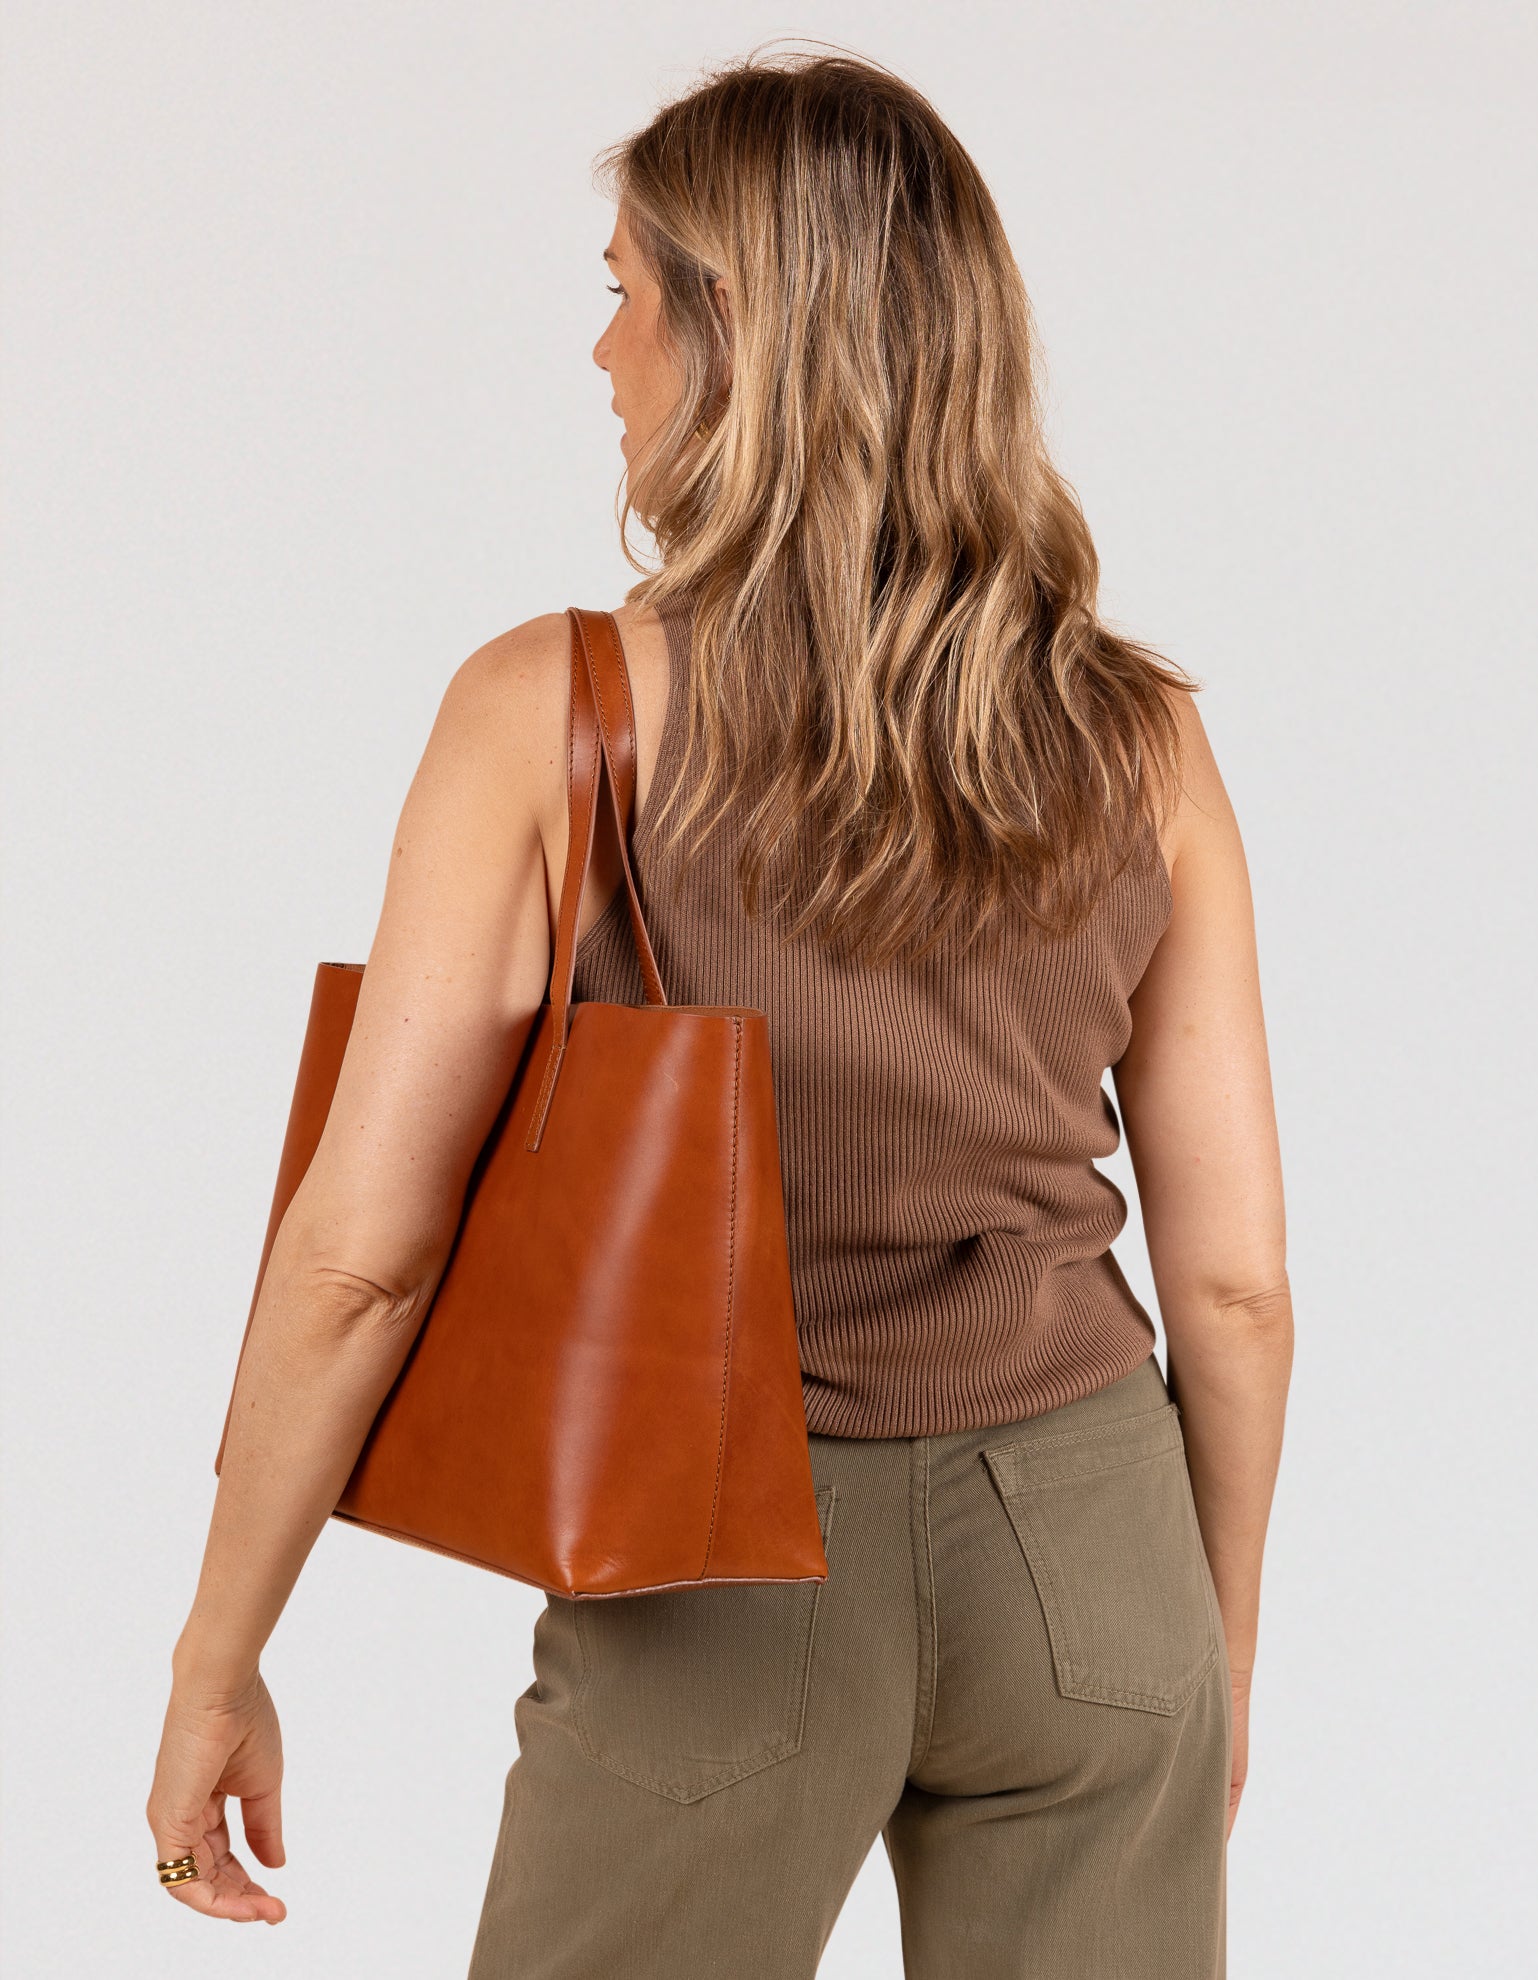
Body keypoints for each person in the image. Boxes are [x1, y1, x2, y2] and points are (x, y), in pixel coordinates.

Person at [147, 51, 1292, 1980]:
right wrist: (1212, 1644)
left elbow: (361, 1258)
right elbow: (1237, 1285)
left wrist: (219, 1657)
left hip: (726, 1557)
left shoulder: (551, 713)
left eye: (623, 294)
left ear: (731, 325)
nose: (601, 354)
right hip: (1097, 1550)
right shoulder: (1139, 735)